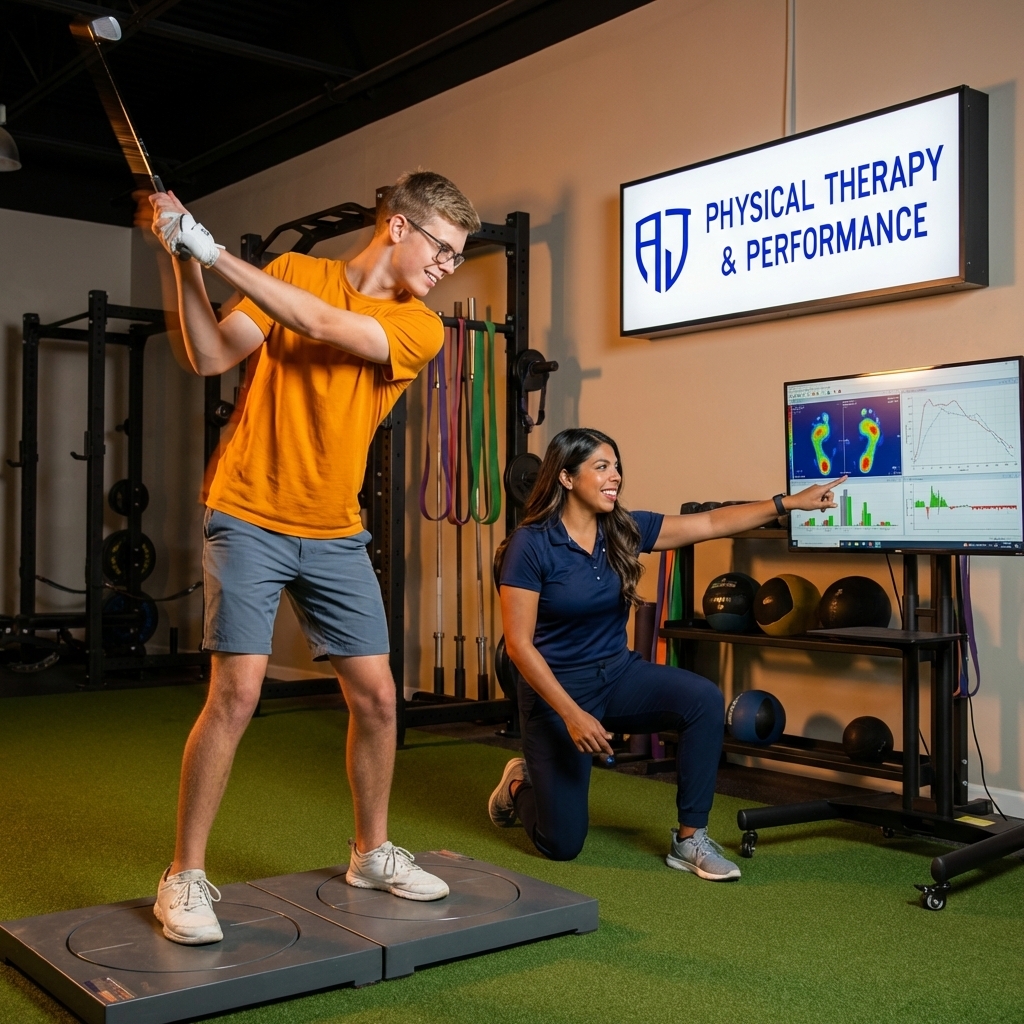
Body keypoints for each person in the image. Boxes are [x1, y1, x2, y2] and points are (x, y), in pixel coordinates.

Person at [145, 171, 481, 944]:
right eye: (442, 248)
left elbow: (332, 329)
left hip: (334, 529)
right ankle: (184, 876)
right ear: (398, 227)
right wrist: (184, 260)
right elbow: (209, 354)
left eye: (457, 258)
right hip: (249, 514)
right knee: (237, 693)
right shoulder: (291, 273)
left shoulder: (420, 328)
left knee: (379, 698)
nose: (447, 267)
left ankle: (371, 853)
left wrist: (215, 249)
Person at [488, 427, 844, 879]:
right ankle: (519, 782)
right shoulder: (531, 544)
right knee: (561, 844)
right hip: (556, 695)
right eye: (601, 467)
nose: (614, 476)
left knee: (702, 699)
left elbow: (712, 524)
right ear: (566, 478)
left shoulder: (621, 529)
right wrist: (573, 715)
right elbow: (519, 645)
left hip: (617, 677)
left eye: (616, 466)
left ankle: (689, 837)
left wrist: (786, 503)